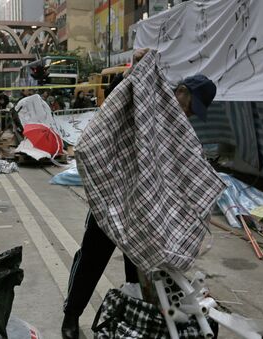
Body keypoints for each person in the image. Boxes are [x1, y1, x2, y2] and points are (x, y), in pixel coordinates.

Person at [61, 48, 218, 339]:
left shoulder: (179, 130)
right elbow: (124, 92)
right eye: (189, 105)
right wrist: (136, 66)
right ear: (180, 90)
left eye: (193, 113)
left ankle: (133, 317)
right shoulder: (148, 100)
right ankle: (71, 316)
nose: (187, 113)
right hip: (115, 195)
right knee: (92, 258)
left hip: (144, 210)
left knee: (140, 270)